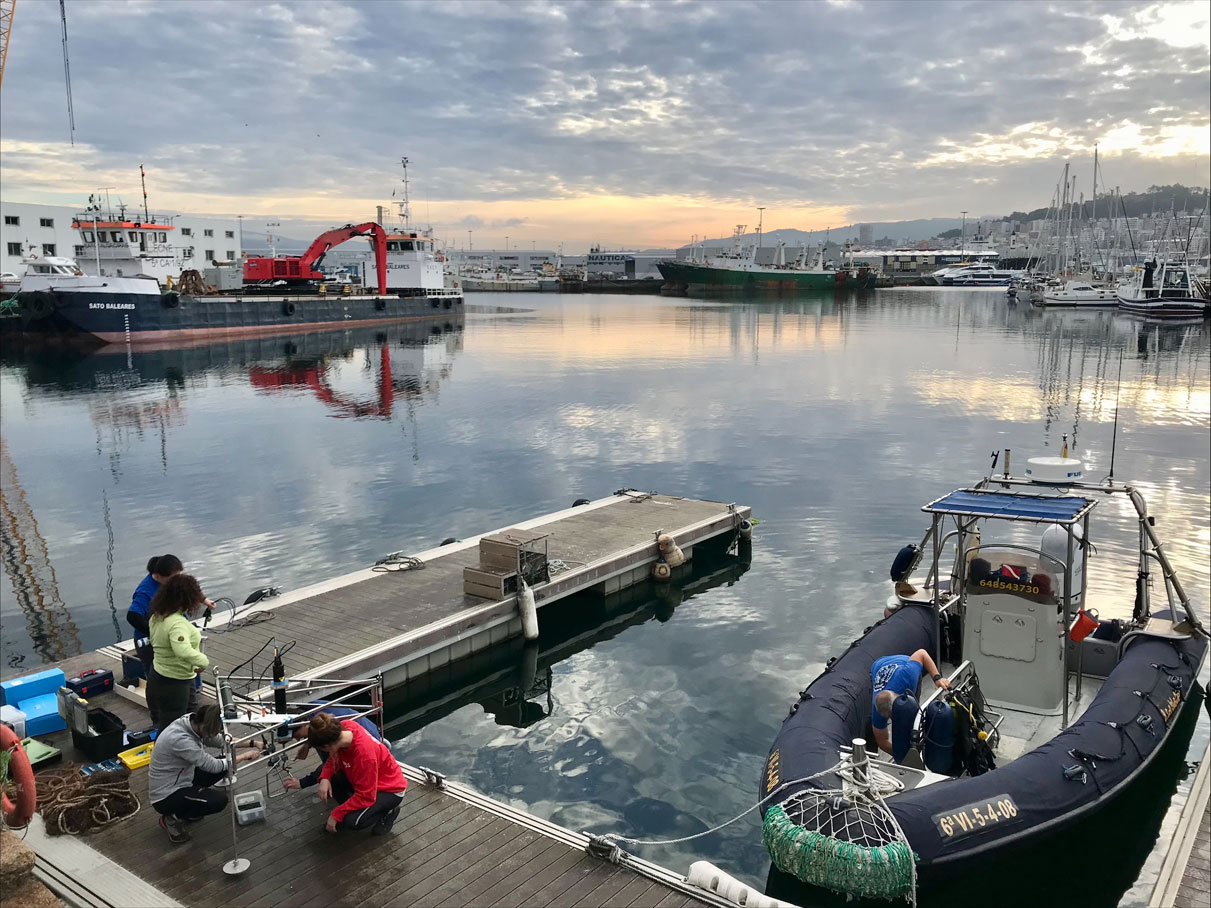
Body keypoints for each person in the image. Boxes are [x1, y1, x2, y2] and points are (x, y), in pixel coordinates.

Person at [148, 704, 260, 844]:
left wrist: (253, 743)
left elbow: (221, 741)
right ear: (205, 727)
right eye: (212, 731)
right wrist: (244, 757)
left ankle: (189, 806)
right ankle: (172, 817)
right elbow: (212, 766)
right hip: (166, 795)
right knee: (218, 800)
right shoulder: (181, 739)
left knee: (225, 765)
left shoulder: (193, 724)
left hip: (183, 776)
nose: (212, 735)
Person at [305, 712, 406, 836]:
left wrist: (336, 814)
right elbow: (334, 757)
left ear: (327, 746)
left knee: (352, 821)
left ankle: (388, 812)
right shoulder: (346, 727)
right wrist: (325, 777)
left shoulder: (364, 756)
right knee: (323, 772)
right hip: (367, 781)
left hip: (388, 789)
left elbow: (366, 796)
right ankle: (353, 809)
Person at [147, 574, 209, 733]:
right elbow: (183, 651)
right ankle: (167, 756)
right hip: (174, 683)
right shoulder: (177, 623)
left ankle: (192, 750)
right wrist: (203, 661)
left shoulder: (157, 615)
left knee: (192, 717)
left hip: (160, 674)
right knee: (171, 728)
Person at [282, 703, 387, 794]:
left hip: (370, 740)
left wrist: (303, 783)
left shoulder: (333, 733)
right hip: (360, 731)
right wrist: (307, 745)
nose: (297, 740)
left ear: (304, 724)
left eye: (296, 736)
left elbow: (331, 761)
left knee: (340, 773)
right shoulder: (312, 714)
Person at [870, 649, 950, 755]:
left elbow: (922, 653)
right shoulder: (877, 714)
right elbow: (882, 742)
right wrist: (904, 757)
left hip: (902, 662)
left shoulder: (907, 677)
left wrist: (937, 678)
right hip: (877, 667)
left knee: (913, 711)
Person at [127, 555, 183, 670]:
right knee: (156, 675)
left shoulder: (170, 581)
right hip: (150, 642)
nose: (177, 580)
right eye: (173, 577)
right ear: (158, 576)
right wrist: (155, 633)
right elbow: (132, 616)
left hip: (174, 633)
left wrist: (204, 600)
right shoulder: (145, 592)